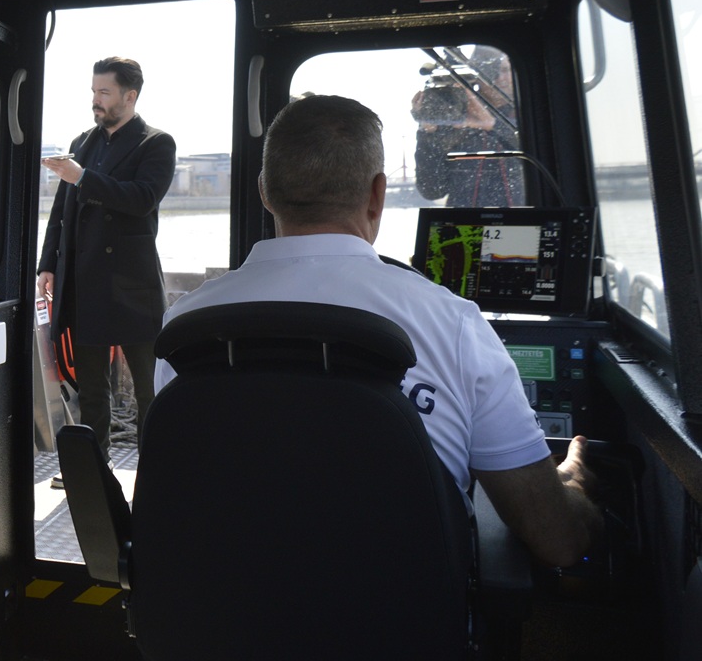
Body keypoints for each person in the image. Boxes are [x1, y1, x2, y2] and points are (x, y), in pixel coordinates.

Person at [157, 95, 601, 567]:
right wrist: (575, 485)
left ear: (265, 192)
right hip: (405, 612)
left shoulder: (186, 326)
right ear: (377, 194)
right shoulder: (452, 322)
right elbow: (557, 541)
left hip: (221, 602)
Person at [38, 57, 176, 458]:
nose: (95, 100)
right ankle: (94, 471)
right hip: (85, 282)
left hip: (133, 286)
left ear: (129, 96)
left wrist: (82, 177)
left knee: (150, 390)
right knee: (91, 390)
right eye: (93, 91)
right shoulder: (83, 142)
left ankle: (155, 469)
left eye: (104, 92)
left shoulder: (156, 143)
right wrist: (48, 265)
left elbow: (142, 198)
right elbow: (61, 211)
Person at [413, 45, 524, 206]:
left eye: (506, 70)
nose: (501, 78)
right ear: (475, 75)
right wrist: (428, 132)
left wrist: (493, 125)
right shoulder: (455, 122)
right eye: (491, 71)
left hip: (522, 218)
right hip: (463, 221)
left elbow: (543, 165)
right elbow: (432, 191)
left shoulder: (530, 116)